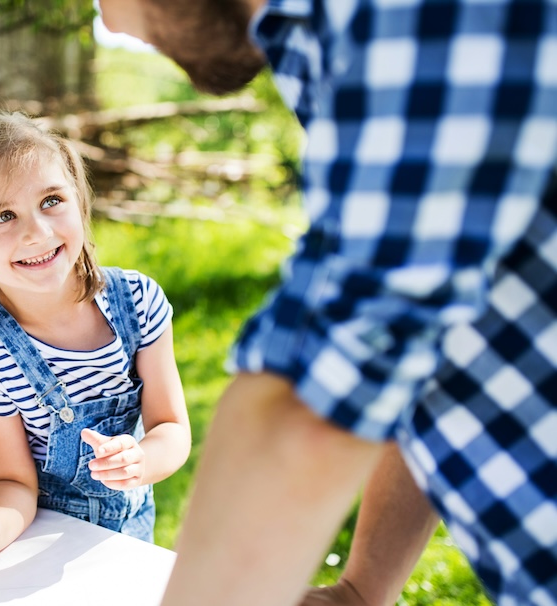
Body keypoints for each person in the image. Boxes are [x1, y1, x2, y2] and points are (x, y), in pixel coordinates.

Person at [97, 1, 557, 605]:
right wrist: (362, 590)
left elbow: (301, 409)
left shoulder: (412, 22)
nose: (109, 23)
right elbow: (408, 333)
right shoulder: (335, 46)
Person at [0, 110, 191, 572]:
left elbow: (171, 429)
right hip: (41, 549)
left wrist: (140, 461)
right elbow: (13, 482)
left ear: (80, 202)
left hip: (131, 539)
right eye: (4, 216)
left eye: (51, 201)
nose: (38, 232)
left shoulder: (138, 302)